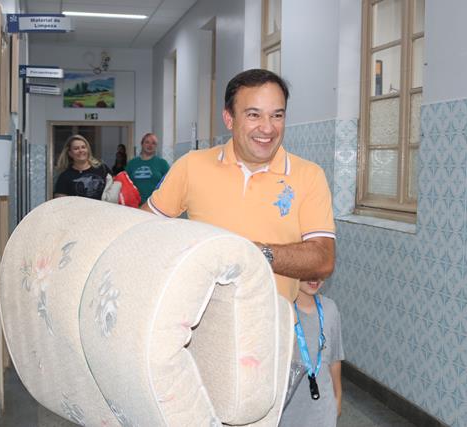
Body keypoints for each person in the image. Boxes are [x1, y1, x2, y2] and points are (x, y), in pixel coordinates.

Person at [143, 68, 336, 302]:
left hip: (272, 321)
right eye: (254, 115)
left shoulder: (309, 175)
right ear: (229, 119)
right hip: (198, 321)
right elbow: (144, 230)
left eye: (277, 115)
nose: (267, 128)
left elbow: (323, 259)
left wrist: (254, 253)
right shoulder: (191, 165)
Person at [279, 280, 344, 427]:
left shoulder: (330, 309)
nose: (315, 278)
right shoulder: (282, 309)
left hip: (323, 410)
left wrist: (338, 396)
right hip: (288, 411)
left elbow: (334, 359)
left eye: (321, 272)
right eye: (309, 271)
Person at [54, 134, 112, 200]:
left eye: (83, 147)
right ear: (70, 153)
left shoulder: (102, 168)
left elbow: (115, 188)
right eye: (76, 148)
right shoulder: (65, 176)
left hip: (102, 207)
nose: (81, 150)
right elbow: (60, 202)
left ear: (88, 150)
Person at [125, 133, 170, 205]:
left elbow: (170, 184)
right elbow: (125, 183)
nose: (150, 145)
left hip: (155, 205)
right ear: (142, 144)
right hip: (135, 205)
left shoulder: (162, 163)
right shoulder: (132, 163)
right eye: (147, 142)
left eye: (153, 143)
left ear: (156, 146)